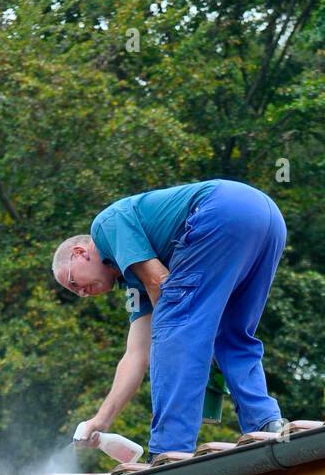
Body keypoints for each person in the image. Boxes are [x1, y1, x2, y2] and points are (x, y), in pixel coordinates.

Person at [52, 179, 287, 458]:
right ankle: (266, 422)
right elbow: (136, 355)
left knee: (172, 328)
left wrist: (182, 334)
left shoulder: (105, 227)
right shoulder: (132, 283)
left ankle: (169, 450)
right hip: (267, 219)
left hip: (220, 210)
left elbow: (159, 281)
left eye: (72, 283)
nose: (81, 293)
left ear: (79, 253)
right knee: (231, 335)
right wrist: (100, 420)